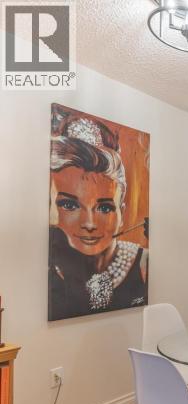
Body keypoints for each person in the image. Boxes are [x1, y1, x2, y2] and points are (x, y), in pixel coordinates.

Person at [48, 109, 148, 321]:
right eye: (69, 205)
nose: (89, 223)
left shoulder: (144, 265)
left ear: (122, 212)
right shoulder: (45, 266)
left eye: (104, 208)